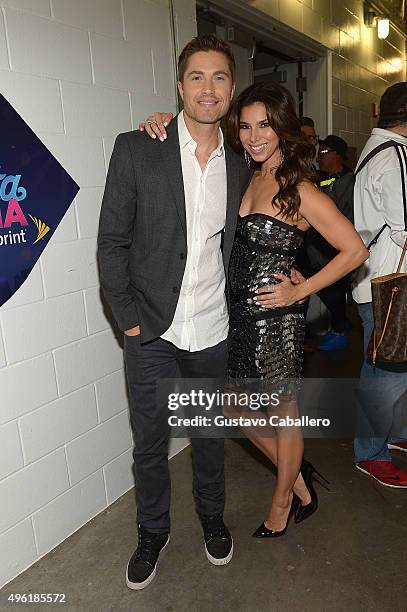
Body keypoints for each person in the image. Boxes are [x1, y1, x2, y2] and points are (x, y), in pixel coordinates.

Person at [140, 82, 367, 538]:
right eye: (244, 125)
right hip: (235, 315)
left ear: (282, 126)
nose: (253, 135)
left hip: (275, 321)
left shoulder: (300, 189)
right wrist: (163, 121)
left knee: (283, 414)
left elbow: (355, 250)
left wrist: (302, 291)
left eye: (264, 124)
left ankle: (282, 499)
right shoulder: (245, 174)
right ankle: (298, 479)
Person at [98, 34, 251, 590]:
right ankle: (152, 530)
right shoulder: (139, 148)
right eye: (196, 77)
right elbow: (111, 241)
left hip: (213, 326)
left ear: (230, 90)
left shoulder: (241, 164)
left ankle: (212, 517)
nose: (207, 88)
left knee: (210, 433)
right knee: (150, 441)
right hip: (152, 330)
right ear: (180, 85)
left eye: (218, 78)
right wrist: (129, 320)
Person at [352, 82, 407, 488]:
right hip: (390, 287)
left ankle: (392, 434)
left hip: (376, 281)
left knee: (393, 366)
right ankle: (370, 452)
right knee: (383, 371)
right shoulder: (395, 157)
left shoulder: (373, 150)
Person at [303, 135, 353, 351]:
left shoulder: (349, 181)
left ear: (337, 156)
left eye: (324, 152)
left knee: (332, 289)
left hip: (335, 250)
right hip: (315, 249)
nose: (319, 157)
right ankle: (340, 324)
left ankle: (340, 329)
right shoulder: (319, 177)